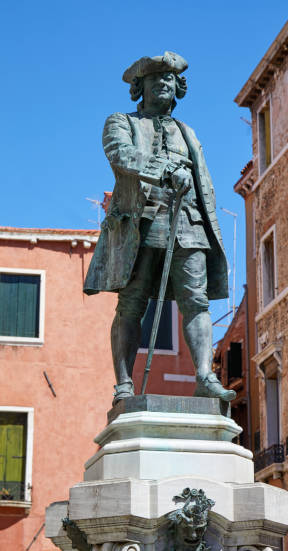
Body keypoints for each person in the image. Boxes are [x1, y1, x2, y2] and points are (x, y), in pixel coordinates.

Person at [84, 51, 236, 405]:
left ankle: (204, 376)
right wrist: (166, 170)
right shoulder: (120, 121)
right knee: (132, 303)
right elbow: (121, 155)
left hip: (189, 222)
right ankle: (124, 385)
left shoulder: (188, 132)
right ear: (141, 88)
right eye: (156, 80)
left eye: (169, 80)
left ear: (178, 87)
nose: (164, 84)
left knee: (196, 301)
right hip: (144, 222)